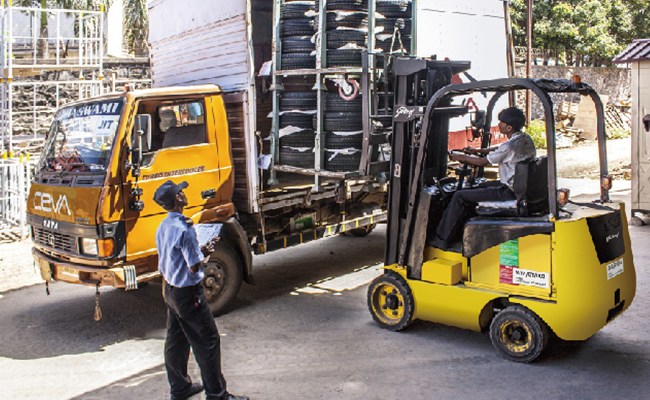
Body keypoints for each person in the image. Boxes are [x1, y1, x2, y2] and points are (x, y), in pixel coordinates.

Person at [154, 180, 249, 400]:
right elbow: (195, 265)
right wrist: (203, 252)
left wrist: (197, 250)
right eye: (182, 192)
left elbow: (174, 257)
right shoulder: (185, 230)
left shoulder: (164, 226)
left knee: (176, 341)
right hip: (188, 294)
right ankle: (217, 395)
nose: (185, 193)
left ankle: (180, 388)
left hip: (170, 291)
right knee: (208, 342)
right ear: (177, 199)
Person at [432, 107, 536, 249]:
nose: (499, 125)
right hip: (520, 186)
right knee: (480, 187)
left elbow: (483, 162)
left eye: (501, 122)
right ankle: (461, 228)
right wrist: (477, 151)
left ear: (509, 127)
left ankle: (441, 238)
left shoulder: (510, 147)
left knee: (459, 196)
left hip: (509, 191)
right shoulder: (524, 139)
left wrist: (459, 157)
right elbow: (499, 149)